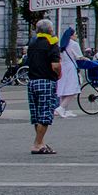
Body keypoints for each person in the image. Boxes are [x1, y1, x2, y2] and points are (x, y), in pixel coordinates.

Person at [23, 19, 62, 153]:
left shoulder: (32, 43)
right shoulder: (52, 43)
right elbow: (55, 65)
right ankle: (37, 143)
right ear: (50, 30)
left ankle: (41, 142)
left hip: (32, 81)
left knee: (36, 114)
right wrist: (59, 73)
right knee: (45, 114)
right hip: (46, 80)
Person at [55, 27, 82, 118]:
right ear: (71, 36)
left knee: (64, 89)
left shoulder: (61, 44)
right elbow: (79, 57)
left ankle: (64, 110)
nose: (76, 36)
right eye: (75, 34)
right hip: (70, 67)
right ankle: (61, 108)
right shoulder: (74, 44)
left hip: (63, 67)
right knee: (73, 89)